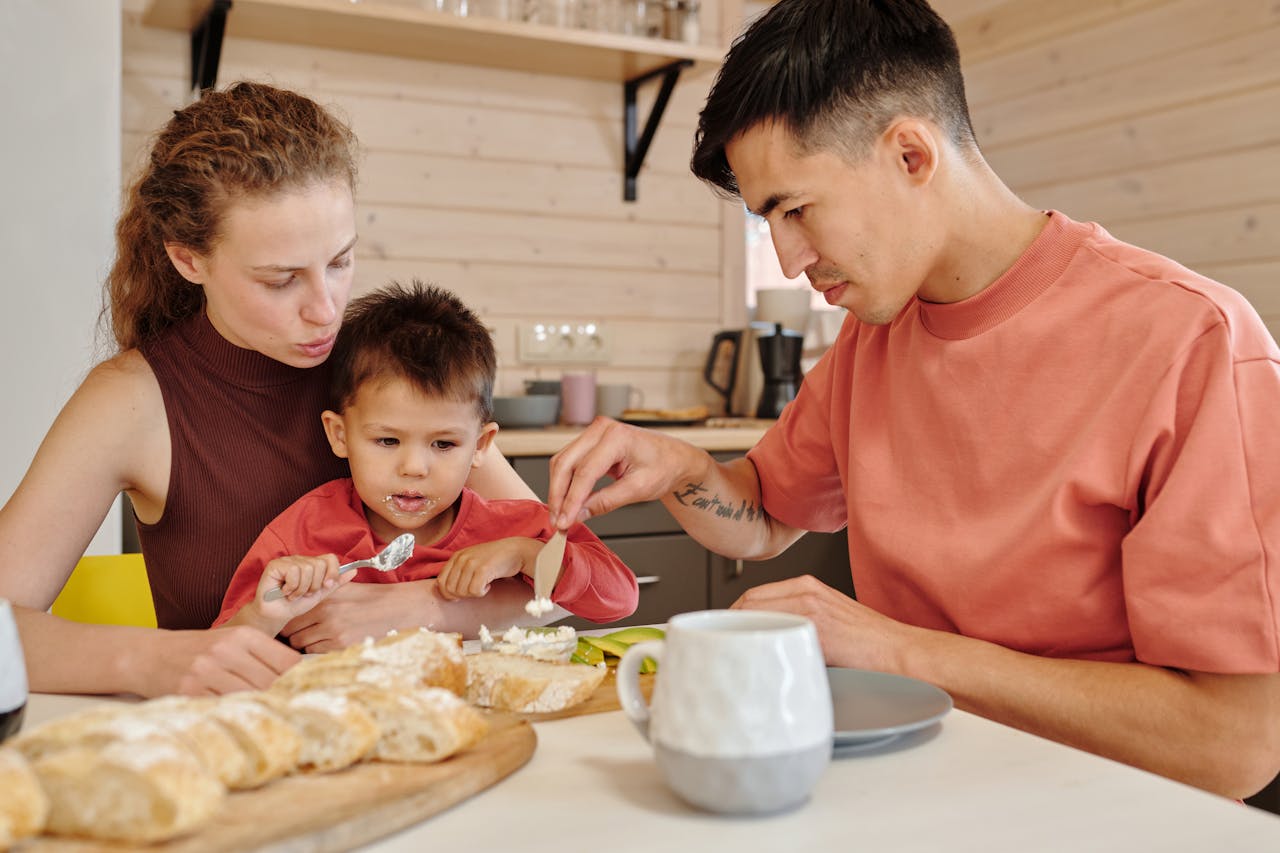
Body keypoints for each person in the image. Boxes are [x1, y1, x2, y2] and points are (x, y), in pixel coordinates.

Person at [546, 0, 1280, 799]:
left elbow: (1234, 742)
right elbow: (765, 515)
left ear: (909, 155)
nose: (790, 261)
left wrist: (898, 650)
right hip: (911, 786)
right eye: (769, 225)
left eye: (796, 210)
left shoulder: (1191, 340)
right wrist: (679, 467)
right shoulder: (872, 337)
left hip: (1098, 810)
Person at [0, 81, 540, 698]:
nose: (325, 310)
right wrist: (154, 660)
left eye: (340, 261)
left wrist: (423, 608)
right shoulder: (131, 400)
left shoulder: (388, 369)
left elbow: (562, 577)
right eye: (280, 280)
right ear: (188, 261)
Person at [213, 281, 638, 636]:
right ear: (339, 435)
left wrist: (526, 554)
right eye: (386, 441)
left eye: (443, 445)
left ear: (482, 446)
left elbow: (620, 596)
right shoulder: (305, 532)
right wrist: (269, 614)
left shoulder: (514, 527)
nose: (414, 468)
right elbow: (222, 649)